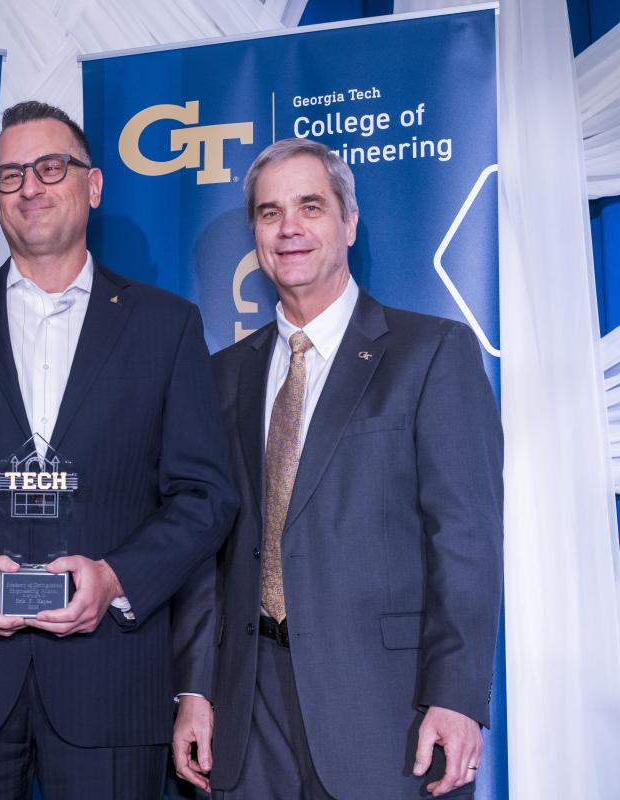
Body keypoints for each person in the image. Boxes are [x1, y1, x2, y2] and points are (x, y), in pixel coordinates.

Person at [0, 100, 238, 799]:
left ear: (92, 186)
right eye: (9, 175)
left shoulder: (166, 327)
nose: (30, 187)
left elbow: (206, 495)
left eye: (50, 167)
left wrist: (117, 579)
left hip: (112, 685)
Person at [171, 137, 503, 799]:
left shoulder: (430, 353)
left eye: (310, 206)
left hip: (387, 715)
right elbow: (207, 551)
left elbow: (464, 539)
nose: (289, 226)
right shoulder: (222, 377)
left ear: (348, 223)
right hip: (247, 714)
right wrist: (195, 689)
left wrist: (457, 697)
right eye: (269, 213)